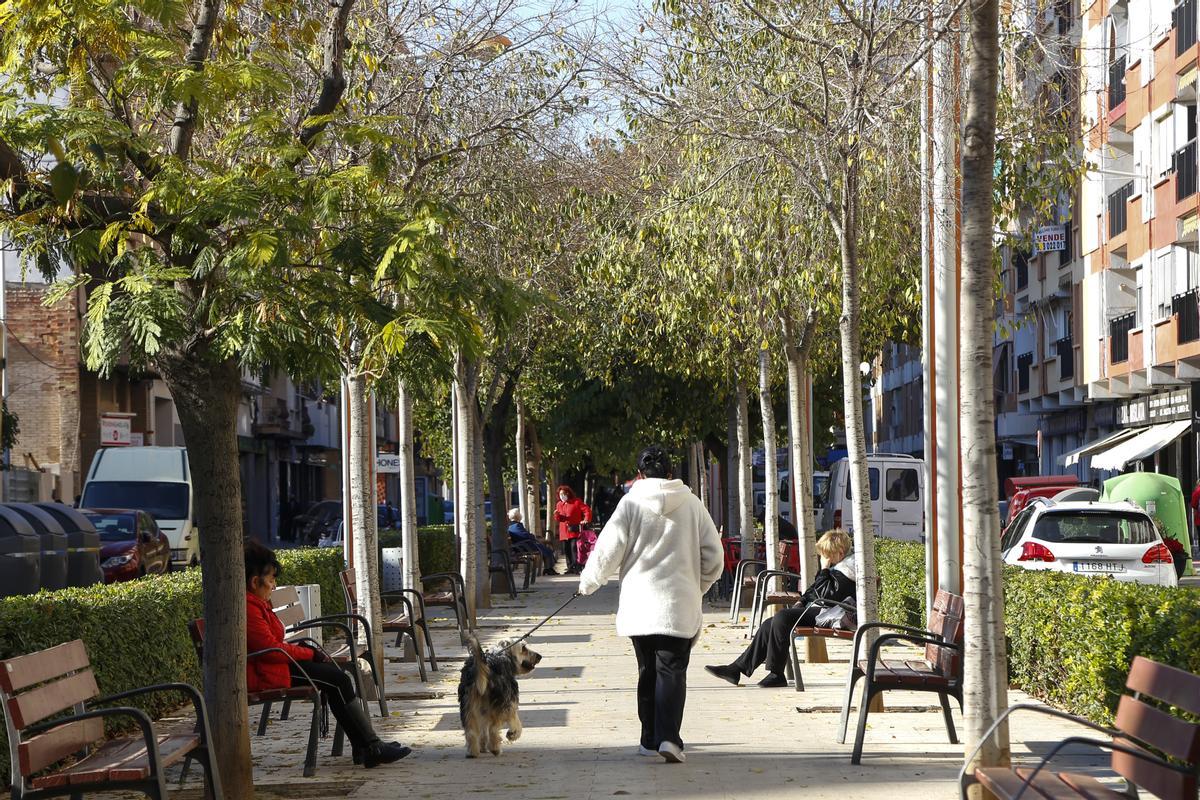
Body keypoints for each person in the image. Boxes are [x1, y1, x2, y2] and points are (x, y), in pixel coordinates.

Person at [578, 446, 723, 764]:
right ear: (671, 472)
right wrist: (698, 586)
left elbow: (608, 549)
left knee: (647, 671)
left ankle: (648, 739)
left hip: (640, 605)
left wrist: (589, 583)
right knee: (672, 670)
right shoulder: (692, 504)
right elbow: (714, 557)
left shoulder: (629, 504)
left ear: (640, 474)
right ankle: (669, 738)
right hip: (679, 603)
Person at [244, 541, 412, 768]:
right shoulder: (249, 608)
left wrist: (307, 652)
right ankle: (370, 746)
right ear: (255, 582)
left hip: (274, 666)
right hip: (267, 672)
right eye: (271, 579)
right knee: (337, 679)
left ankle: (367, 746)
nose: (274, 585)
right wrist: (308, 653)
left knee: (336, 679)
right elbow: (271, 649)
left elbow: (273, 645)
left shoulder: (256, 603)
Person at [705, 528, 855, 688]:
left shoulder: (847, 570)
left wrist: (824, 569)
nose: (824, 558)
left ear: (839, 553)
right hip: (829, 611)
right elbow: (816, 591)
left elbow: (827, 595)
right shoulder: (841, 568)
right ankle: (737, 669)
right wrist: (802, 601)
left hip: (839, 615)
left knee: (783, 618)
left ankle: (776, 674)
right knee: (769, 624)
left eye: (827, 554)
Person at [554, 484, 592, 574]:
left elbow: (586, 510)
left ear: (568, 493)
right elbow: (560, 518)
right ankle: (570, 566)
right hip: (564, 531)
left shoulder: (576, 502)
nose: (562, 496)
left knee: (574, 548)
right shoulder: (559, 504)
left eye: (563, 494)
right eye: (560, 495)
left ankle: (576, 566)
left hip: (574, 530)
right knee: (566, 549)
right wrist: (556, 515)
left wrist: (586, 519)